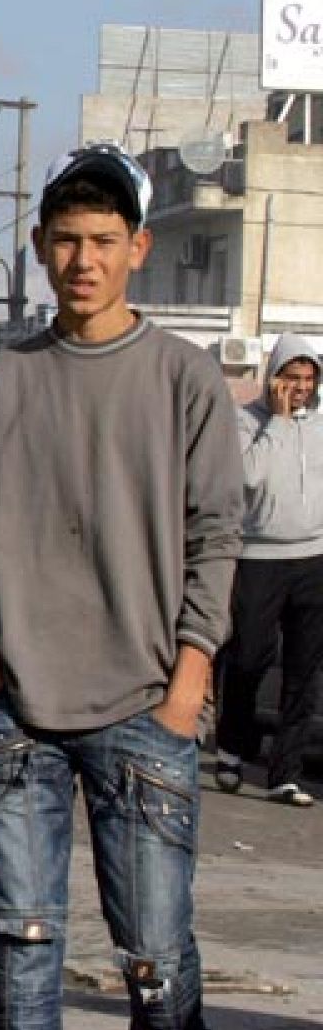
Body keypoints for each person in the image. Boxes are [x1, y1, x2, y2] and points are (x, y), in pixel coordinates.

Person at [0, 143, 243, 1030]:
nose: (84, 261)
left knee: (154, 952)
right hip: (18, 709)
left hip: (147, 706)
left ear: (137, 249)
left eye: (104, 241)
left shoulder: (185, 377)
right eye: (67, 240)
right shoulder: (4, 380)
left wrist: (188, 682)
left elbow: (216, 536)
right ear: (38, 246)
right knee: (20, 948)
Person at [215, 334, 323, 806]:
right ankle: (233, 747)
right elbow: (247, 478)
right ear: (274, 377)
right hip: (258, 557)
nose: (299, 388)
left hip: (313, 558)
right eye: (291, 378)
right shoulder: (243, 422)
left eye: (308, 379)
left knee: (304, 669)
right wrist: (276, 425)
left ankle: (286, 773)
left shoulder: (321, 425)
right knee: (248, 658)